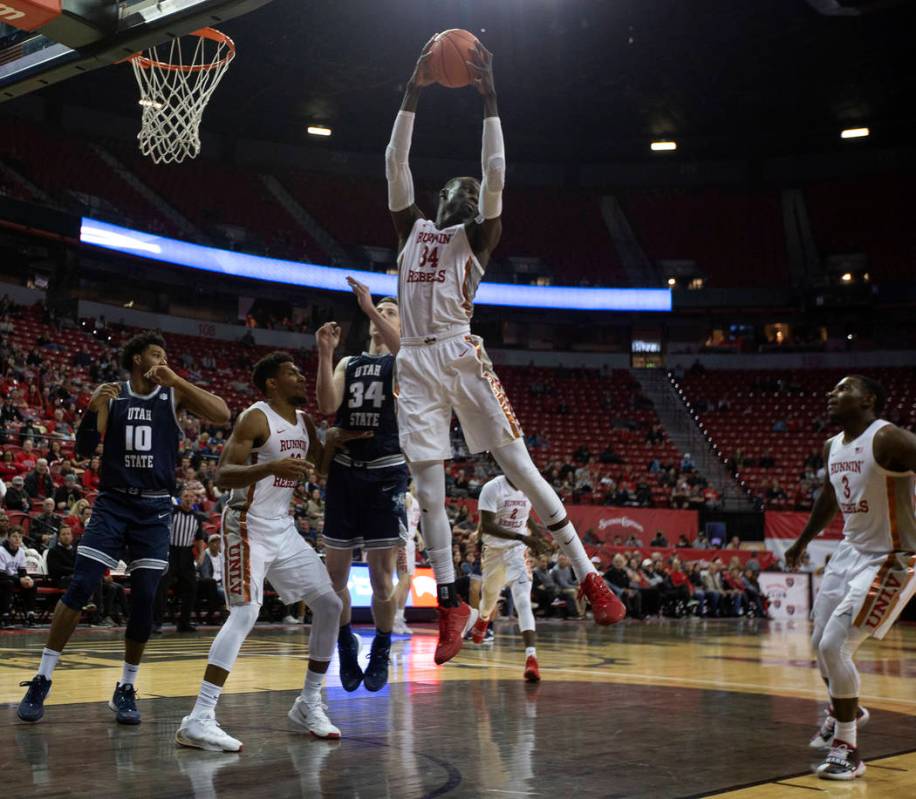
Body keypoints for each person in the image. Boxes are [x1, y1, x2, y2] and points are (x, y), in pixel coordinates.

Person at [385, 36, 624, 666]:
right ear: (442, 200)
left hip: (461, 354)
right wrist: (411, 92)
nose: (466, 195)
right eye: (456, 192)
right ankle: (450, 603)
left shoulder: (479, 239)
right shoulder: (411, 231)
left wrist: (490, 99)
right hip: (412, 360)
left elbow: (494, 173)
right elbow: (393, 160)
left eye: (473, 195)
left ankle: (588, 574)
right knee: (429, 492)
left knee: (519, 467)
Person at [17, 330, 230, 725]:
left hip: (153, 509)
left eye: (165, 355)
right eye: (156, 354)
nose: (162, 360)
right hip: (114, 502)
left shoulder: (173, 393)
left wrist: (178, 379)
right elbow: (83, 450)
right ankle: (42, 678)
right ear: (136, 359)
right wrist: (90, 409)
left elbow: (221, 414)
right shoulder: (113, 395)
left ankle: (126, 687)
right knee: (81, 585)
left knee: (146, 597)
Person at [175, 352, 362, 752]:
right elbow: (223, 474)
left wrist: (328, 443)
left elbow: (318, 470)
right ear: (272, 384)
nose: (300, 378)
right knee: (245, 613)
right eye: (292, 373)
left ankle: (308, 703)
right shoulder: (255, 418)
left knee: (330, 604)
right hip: (246, 522)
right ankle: (199, 718)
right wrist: (269, 468)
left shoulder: (305, 423)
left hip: (282, 527)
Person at [785, 375, 916, 781]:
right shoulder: (832, 446)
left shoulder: (889, 439)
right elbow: (829, 497)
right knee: (819, 645)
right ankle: (848, 707)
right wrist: (801, 541)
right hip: (849, 553)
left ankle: (848, 749)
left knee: (834, 645)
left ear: (868, 399)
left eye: (844, 389)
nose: (832, 394)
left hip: (893, 557)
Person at [315, 280, 406, 693]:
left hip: (385, 471)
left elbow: (403, 349)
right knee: (334, 578)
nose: (382, 314)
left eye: (391, 312)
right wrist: (325, 353)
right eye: (380, 311)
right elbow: (329, 406)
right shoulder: (349, 362)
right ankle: (346, 642)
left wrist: (370, 308)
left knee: (381, 579)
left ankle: (382, 646)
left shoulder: (403, 360)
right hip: (346, 472)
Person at [469, 473, 550, 681]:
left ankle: (531, 658)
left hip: (517, 551)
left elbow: (526, 515)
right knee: (488, 598)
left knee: (523, 600)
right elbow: (487, 525)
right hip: (494, 551)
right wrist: (525, 537)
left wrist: (538, 537)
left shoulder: (528, 485)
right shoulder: (492, 487)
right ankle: (484, 617)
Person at [154, 488, 206, 633]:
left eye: (191, 496)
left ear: (195, 500)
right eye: (186, 496)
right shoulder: (172, 513)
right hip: (171, 552)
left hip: (187, 554)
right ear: (181, 498)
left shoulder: (197, 517)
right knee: (162, 587)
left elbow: (199, 538)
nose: (189, 499)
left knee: (191, 588)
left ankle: (184, 623)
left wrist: (201, 554)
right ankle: (156, 622)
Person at [392, 483, 422, 635]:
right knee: (403, 580)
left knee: (408, 583)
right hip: (402, 542)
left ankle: (400, 616)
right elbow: (397, 515)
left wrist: (419, 536)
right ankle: (391, 617)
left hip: (410, 542)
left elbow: (411, 523)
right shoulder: (408, 497)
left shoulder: (418, 502)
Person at [0, 528, 36, 626]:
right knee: (8, 584)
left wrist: (26, 579)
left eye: (20, 537)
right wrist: (19, 579)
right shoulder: (1, 551)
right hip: (2, 578)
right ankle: (4, 615)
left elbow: (22, 570)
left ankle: (30, 615)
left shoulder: (21, 552)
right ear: (8, 538)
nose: (17, 539)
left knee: (31, 584)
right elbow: (2, 574)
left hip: (12, 578)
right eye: (14, 536)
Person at [197, 534, 225, 625]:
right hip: (208, 585)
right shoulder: (205, 555)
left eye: (218, 542)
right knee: (217, 588)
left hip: (221, 583)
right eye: (214, 542)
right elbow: (205, 574)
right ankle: (211, 616)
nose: (217, 544)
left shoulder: (222, 557)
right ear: (209, 544)